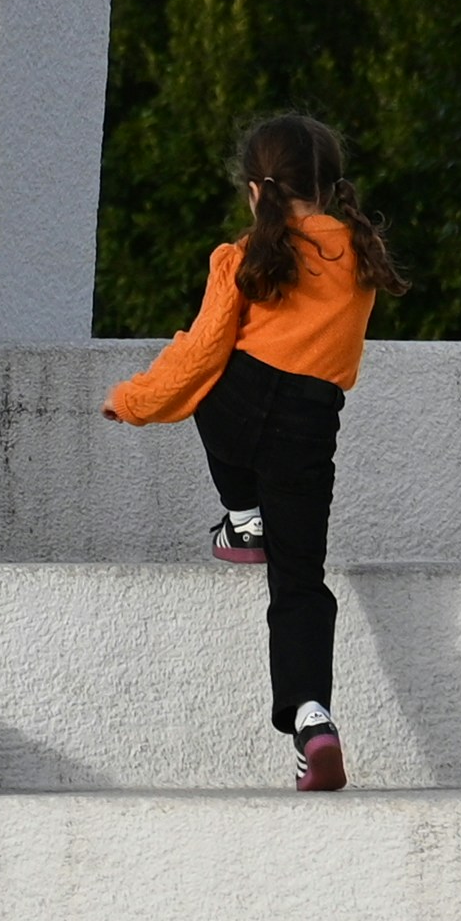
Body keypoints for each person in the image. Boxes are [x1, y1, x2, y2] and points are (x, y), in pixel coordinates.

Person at [104, 112, 403, 791]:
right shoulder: (360, 253)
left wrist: (132, 400)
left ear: (254, 191)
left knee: (211, 383)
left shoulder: (240, 259)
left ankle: (241, 515)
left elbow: (201, 353)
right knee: (298, 584)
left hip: (237, 410)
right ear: (328, 189)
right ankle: (313, 718)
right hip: (310, 425)